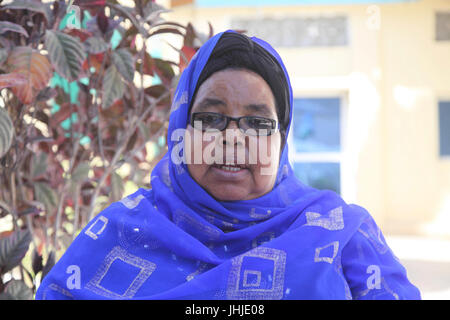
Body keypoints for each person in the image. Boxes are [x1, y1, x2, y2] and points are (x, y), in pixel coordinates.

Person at [36, 30, 421, 300]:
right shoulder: (121, 232)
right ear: (181, 132)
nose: (234, 138)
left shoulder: (340, 232)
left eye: (257, 123)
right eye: (211, 118)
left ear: (281, 141)